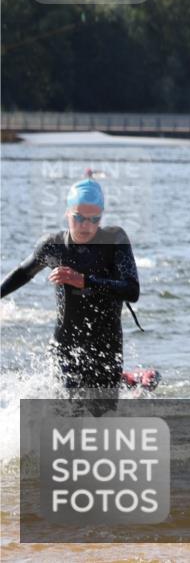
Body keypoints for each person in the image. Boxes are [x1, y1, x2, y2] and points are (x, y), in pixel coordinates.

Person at [0, 176, 140, 411]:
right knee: (66, 417)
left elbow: (132, 290)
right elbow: (23, 273)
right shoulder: (53, 245)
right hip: (65, 347)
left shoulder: (115, 240)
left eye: (94, 219)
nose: (86, 225)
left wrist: (84, 280)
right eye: (79, 218)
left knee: (100, 421)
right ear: (67, 213)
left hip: (105, 350)